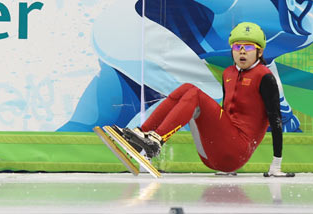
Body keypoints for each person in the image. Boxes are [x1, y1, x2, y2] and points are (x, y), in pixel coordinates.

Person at [58, 0, 313, 133]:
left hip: (149, 44)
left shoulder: (306, 34)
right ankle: (150, 140)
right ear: (294, 2)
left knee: (91, 124)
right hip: (132, 28)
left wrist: (282, 108)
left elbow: (263, 64)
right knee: (213, 101)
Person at [114, 22, 291, 176]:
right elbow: (224, 114)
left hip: (237, 152)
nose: (242, 52)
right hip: (213, 156)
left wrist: (276, 164)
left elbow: (275, 119)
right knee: (187, 88)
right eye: (237, 47)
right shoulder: (229, 73)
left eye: (249, 47)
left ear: (259, 53)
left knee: (195, 94)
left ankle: (156, 141)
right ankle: (142, 135)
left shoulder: (264, 76)